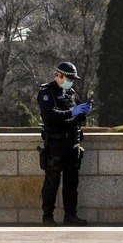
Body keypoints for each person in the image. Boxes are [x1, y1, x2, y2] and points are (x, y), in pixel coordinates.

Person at [38, 62, 92, 226]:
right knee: (52, 182)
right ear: (59, 76)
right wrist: (71, 112)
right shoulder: (47, 92)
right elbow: (50, 114)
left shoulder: (71, 92)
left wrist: (83, 111)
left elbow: (77, 116)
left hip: (72, 143)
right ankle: (48, 216)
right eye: (69, 78)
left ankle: (70, 215)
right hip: (55, 144)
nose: (71, 82)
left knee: (71, 183)